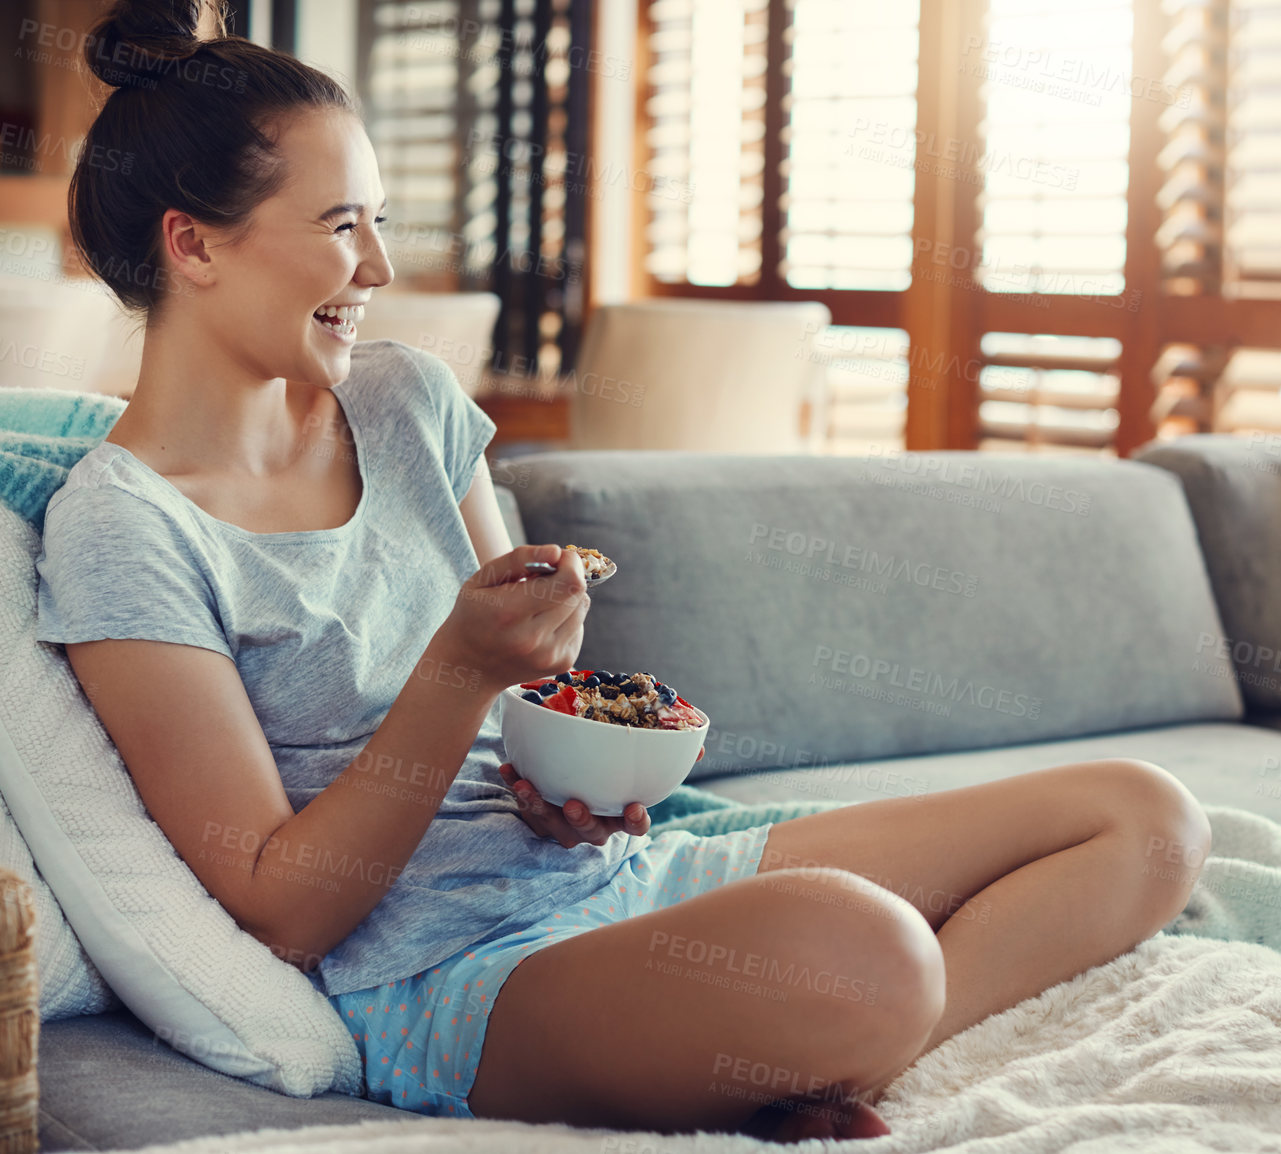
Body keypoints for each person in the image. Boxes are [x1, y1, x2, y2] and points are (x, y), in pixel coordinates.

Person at [37, 0, 1213, 1141]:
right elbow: (281, 907)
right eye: (342, 225)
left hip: (614, 872)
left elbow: (528, 694)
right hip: (450, 972)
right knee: (863, 947)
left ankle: (827, 1046)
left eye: (378, 220)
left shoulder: (403, 402)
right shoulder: (126, 525)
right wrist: (454, 672)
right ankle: (832, 1023)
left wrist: (571, 774)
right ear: (192, 242)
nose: (381, 265)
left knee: (1145, 818)